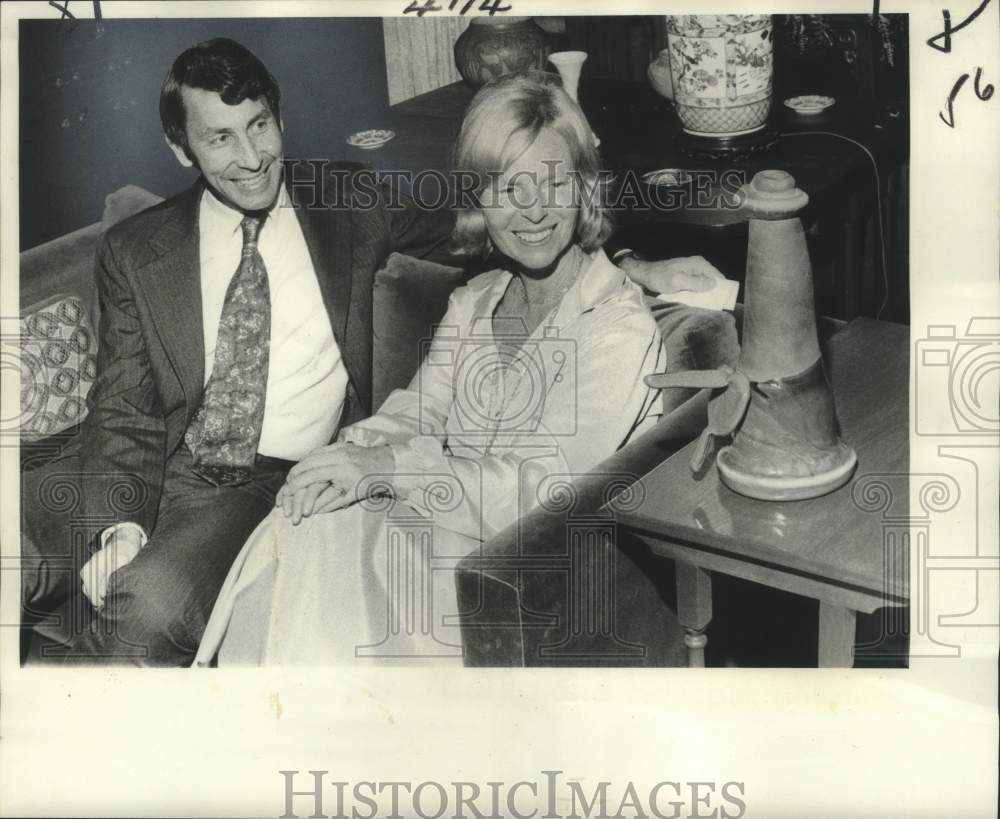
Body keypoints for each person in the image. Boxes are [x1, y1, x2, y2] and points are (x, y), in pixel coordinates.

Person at [21, 39, 720, 667]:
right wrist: (119, 522)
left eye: (259, 125)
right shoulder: (139, 246)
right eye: (221, 138)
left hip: (270, 489)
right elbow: (124, 412)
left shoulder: (345, 199)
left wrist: (631, 261)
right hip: (147, 463)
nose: (251, 155)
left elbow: (508, 216)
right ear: (184, 150)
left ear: (280, 118)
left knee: (165, 610)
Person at [194, 70, 677, 666]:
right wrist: (341, 460)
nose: (530, 211)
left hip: (533, 572)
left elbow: (544, 489)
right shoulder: (476, 302)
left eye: (552, 184)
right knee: (307, 523)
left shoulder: (615, 324)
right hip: (445, 532)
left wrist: (387, 467)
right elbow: (417, 410)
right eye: (504, 187)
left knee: (321, 561)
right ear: (479, 200)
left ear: (583, 188)